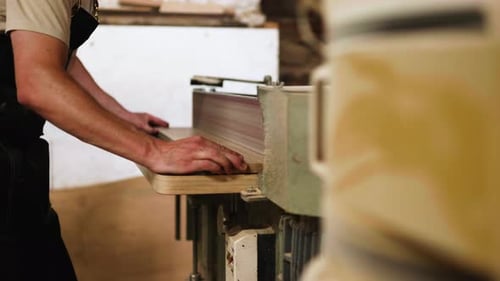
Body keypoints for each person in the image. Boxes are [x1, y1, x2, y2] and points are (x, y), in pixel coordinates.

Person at [0, 0, 248, 280]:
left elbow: (50, 51)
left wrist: (120, 114)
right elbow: (37, 83)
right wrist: (154, 151)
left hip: (19, 157)